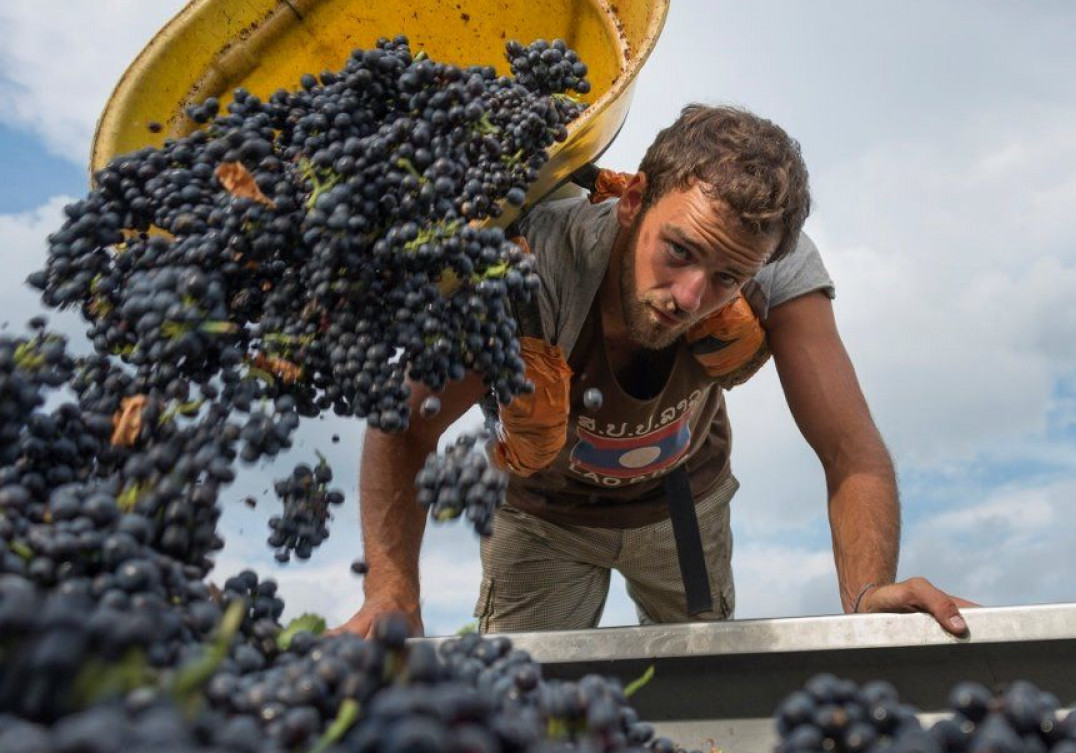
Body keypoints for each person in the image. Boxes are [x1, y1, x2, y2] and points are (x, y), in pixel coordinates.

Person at [336, 104, 974, 638]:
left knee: (706, 706)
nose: (691, 296)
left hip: (681, 505)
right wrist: (392, 594)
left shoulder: (774, 266)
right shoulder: (535, 267)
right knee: (518, 709)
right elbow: (405, 425)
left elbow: (849, 447)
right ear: (634, 201)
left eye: (728, 276)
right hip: (541, 515)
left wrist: (867, 595)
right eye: (679, 252)